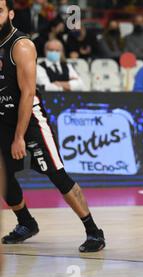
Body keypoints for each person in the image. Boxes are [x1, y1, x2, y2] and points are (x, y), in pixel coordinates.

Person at [0, 0, 105, 252]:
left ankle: (93, 231)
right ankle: (26, 222)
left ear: (11, 14)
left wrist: (19, 137)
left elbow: (27, 95)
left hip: (30, 120)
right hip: (3, 118)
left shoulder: (21, 45)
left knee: (56, 173)